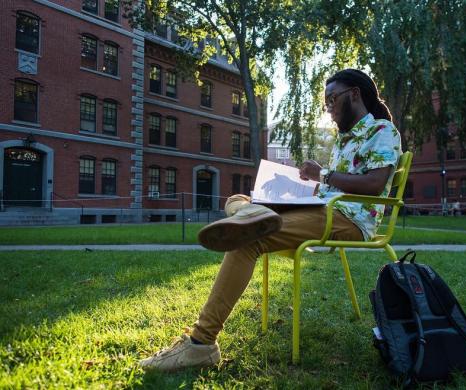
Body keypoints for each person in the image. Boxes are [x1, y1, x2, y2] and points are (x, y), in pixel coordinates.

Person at [139, 69, 402, 371]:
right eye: (325, 102)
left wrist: (323, 175)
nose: (328, 108)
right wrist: (299, 187)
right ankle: (255, 213)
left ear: (354, 94)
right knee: (236, 200)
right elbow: (332, 184)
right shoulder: (344, 139)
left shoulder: (382, 131)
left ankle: (201, 344)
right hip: (322, 208)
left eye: (332, 99)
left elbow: (374, 184)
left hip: (348, 218)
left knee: (245, 238)